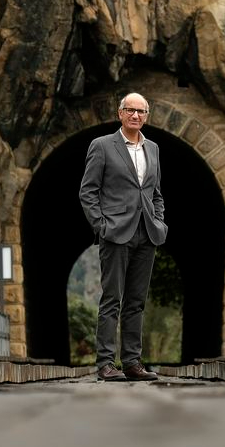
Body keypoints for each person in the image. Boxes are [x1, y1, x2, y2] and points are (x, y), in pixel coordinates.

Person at [78, 92, 167, 381]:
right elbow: (87, 191)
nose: (136, 116)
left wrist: (159, 221)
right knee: (112, 299)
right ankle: (105, 363)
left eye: (141, 112)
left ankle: (132, 363)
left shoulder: (153, 148)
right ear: (120, 113)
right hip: (115, 232)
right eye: (130, 110)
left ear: (146, 116)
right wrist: (101, 226)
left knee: (136, 301)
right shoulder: (102, 146)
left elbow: (155, 193)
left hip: (147, 233)